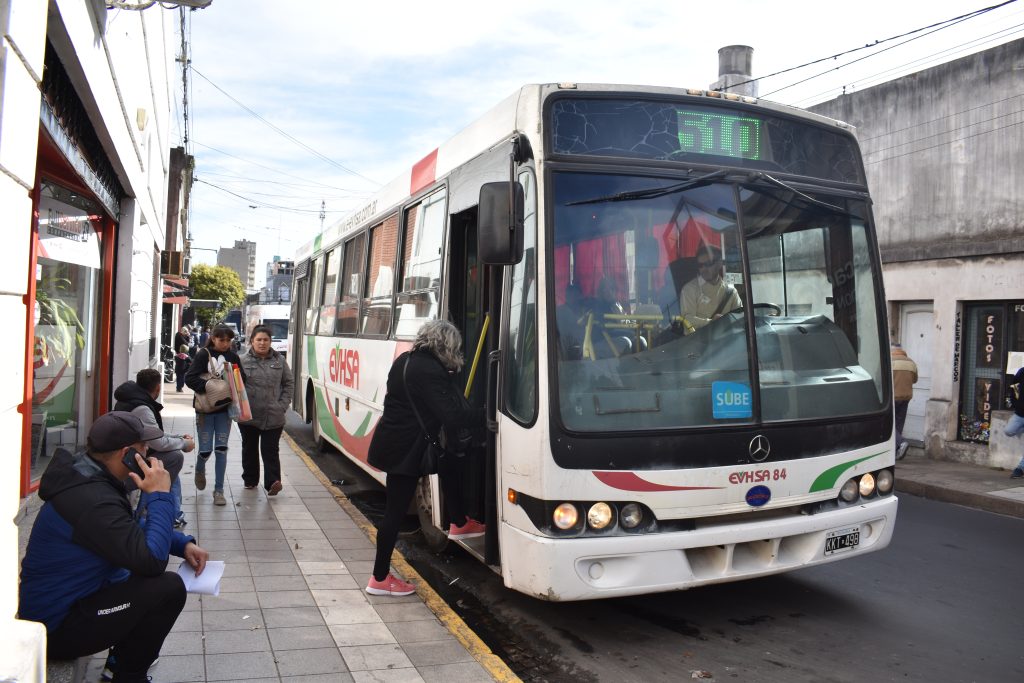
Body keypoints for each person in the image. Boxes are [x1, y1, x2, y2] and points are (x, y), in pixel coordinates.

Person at [18, 411, 209, 682]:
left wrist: (180, 543)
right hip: (56, 627)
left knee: (141, 578)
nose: (150, 452)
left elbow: (121, 529)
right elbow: (151, 561)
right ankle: (128, 676)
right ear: (127, 454)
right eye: (144, 448)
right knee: (167, 588)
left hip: (75, 602)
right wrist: (160, 495)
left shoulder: (89, 476)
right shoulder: (92, 499)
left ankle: (117, 665)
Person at [366, 320, 484, 596]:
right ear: (446, 346)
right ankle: (379, 578)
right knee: (394, 513)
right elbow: (452, 416)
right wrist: (487, 414)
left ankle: (457, 521)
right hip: (406, 449)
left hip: (397, 441)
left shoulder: (406, 360)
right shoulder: (430, 370)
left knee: (451, 461)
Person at [114, 368, 195, 528]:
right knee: (173, 459)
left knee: (169, 466)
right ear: (158, 387)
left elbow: (155, 434)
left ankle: (174, 513)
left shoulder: (132, 399)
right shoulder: (142, 408)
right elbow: (157, 442)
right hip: (128, 467)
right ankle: (148, 510)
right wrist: (184, 444)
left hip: (125, 458)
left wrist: (178, 437)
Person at [185, 323, 243, 506]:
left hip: (225, 411)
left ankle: (219, 491)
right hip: (205, 410)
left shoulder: (233, 356)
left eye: (228, 340)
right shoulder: (204, 354)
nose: (225, 343)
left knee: (221, 449)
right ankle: (200, 468)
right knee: (205, 450)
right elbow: (189, 378)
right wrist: (210, 387)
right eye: (221, 340)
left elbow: (242, 380)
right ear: (213, 338)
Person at [238, 325, 294, 495]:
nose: (262, 343)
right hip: (249, 415)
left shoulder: (280, 361)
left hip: (273, 415)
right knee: (250, 449)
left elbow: (289, 383)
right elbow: (235, 387)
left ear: (270, 342)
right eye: (259, 340)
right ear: (252, 341)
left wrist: (282, 405)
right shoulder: (241, 361)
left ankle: (273, 483)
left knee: (270, 450)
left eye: (266, 340)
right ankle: (250, 480)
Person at [680, 244, 741, 330]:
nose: (704, 269)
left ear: (719, 264)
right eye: (700, 265)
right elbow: (686, 320)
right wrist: (710, 322)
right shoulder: (689, 289)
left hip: (727, 341)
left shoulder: (731, 292)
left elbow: (740, 319)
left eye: (708, 264)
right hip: (698, 342)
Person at [891, 343, 918, 460]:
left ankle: (901, 443)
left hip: (893, 397)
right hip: (906, 397)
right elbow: (915, 380)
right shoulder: (911, 362)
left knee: (890, 424)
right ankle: (897, 450)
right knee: (899, 424)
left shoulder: (890, 361)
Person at [1005, 364, 1024, 478]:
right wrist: (1015, 404)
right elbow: (1013, 387)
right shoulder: (1021, 372)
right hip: (1019, 413)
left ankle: (1020, 469)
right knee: (1008, 431)